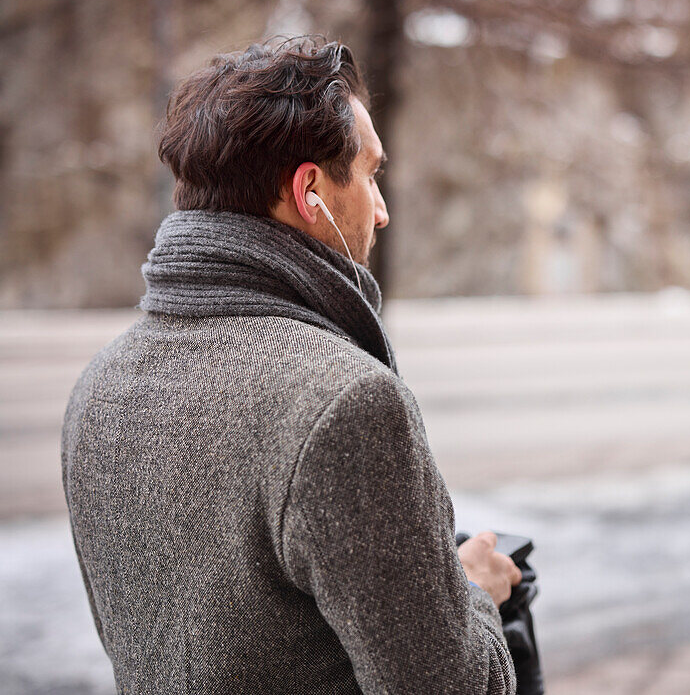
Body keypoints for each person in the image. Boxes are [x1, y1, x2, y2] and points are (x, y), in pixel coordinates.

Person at [61, 35, 522, 694]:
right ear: (310, 190)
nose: (382, 210)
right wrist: (473, 593)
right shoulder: (347, 404)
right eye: (369, 174)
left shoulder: (100, 387)